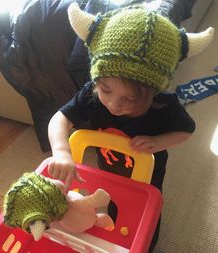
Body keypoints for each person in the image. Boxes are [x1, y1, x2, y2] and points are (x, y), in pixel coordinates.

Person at [47, 3, 214, 252]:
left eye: (130, 99)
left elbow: (186, 130)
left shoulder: (164, 104)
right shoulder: (91, 93)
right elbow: (59, 119)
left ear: (153, 92)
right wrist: (61, 151)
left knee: (146, 215)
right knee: (114, 205)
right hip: (110, 171)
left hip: (148, 178)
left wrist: (159, 143)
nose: (114, 104)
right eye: (106, 90)